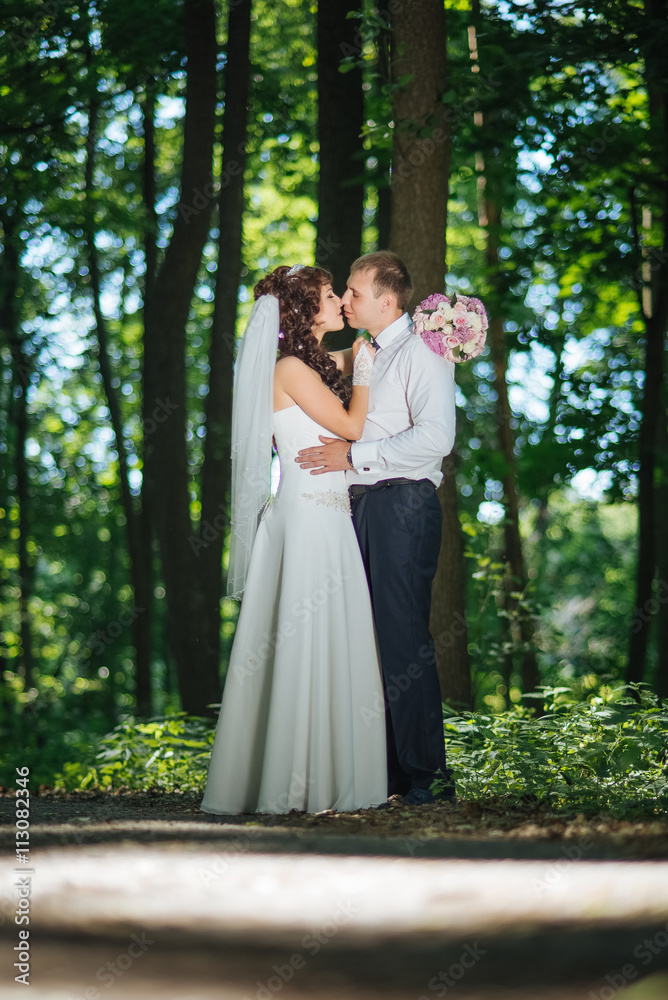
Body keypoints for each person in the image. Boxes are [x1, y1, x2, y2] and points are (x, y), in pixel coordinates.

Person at [201, 264, 387, 815]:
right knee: (305, 636)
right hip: (307, 514)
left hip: (327, 513)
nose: (339, 302)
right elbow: (353, 428)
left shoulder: (313, 363)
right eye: (330, 296)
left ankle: (324, 776)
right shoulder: (288, 368)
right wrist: (366, 372)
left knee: (333, 633)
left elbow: (360, 355)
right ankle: (294, 781)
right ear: (305, 311)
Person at [297, 251, 457, 805]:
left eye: (355, 292)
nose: (346, 299)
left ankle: (428, 776)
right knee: (366, 640)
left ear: (387, 300)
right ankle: (385, 775)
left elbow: (436, 438)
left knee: (401, 637)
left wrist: (354, 456)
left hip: (403, 505)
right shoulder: (366, 352)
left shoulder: (425, 352)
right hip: (360, 506)